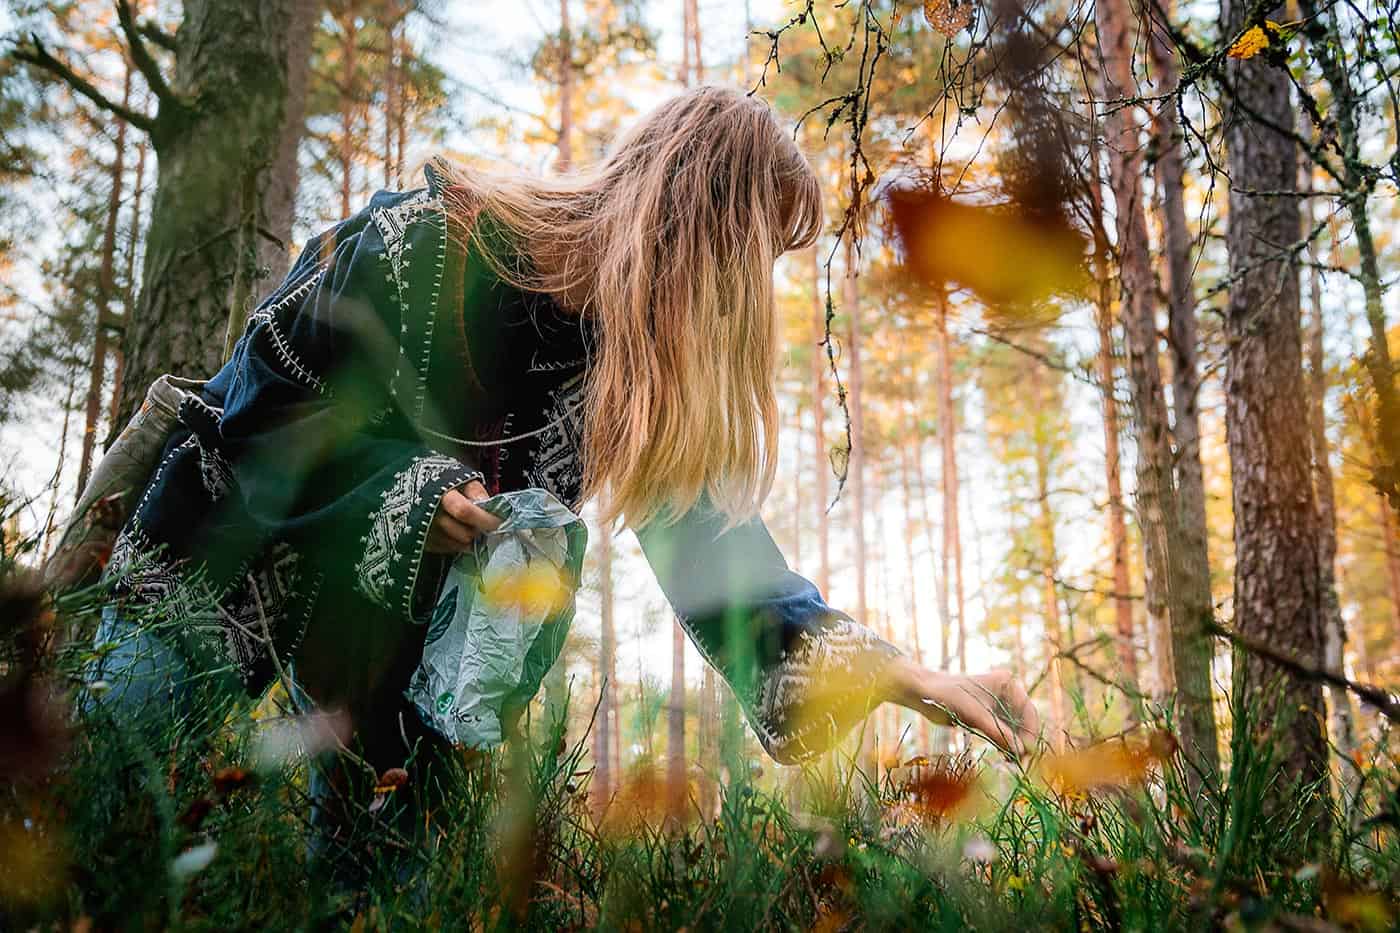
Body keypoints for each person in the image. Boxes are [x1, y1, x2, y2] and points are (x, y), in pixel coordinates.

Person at [90, 86, 1038, 849]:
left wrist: (906, 674)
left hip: (385, 668)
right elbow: (266, 403)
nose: (752, 290)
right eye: (754, 252)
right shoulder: (430, 237)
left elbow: (733, 578)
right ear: (690, 222)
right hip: (209, 570)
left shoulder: (631, 378)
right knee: (87, 810)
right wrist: (413, 491)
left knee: (369, 897)